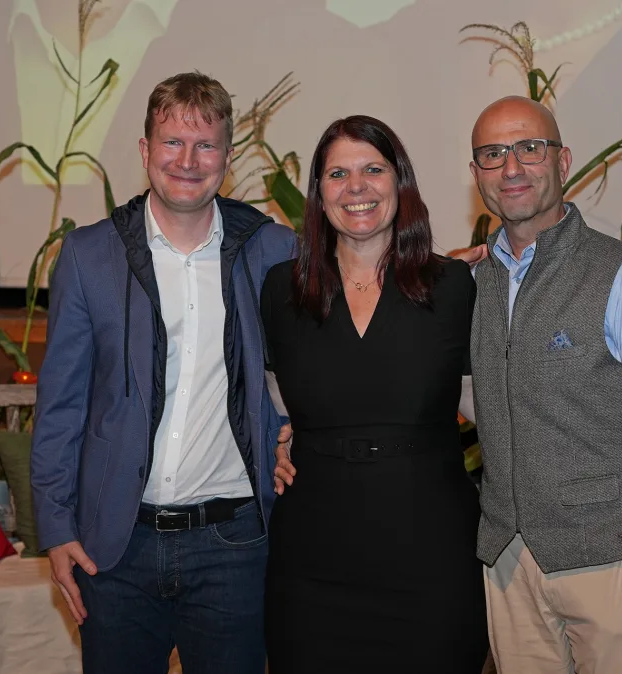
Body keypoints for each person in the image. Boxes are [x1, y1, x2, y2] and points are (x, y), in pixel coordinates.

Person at [29, 71, 296, 674]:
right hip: (116, 546)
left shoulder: (272, 250)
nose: (188, 160)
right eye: (172, 142)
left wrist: (290, 427)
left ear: (227, 159)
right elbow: (61, 405)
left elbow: (320, 355)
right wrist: (55, 527)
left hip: (235, 544)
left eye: (206, 145)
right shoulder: (90, 255)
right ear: (146, 152)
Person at [466, 95, 622, 673]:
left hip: (612, 565)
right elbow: (482, 400)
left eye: (530, 148)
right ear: (476, 175)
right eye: (493, 154)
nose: (513, 168)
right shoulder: (473, 281)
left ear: (563, 160)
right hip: (508, 564)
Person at [260, 115, 489, 674]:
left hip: (430, 554)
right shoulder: (281, 290)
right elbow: (273, 403)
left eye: (372, 169)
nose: (356, 186)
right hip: (314, 558)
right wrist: (276, 439)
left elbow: (489, 410)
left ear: (400, 182)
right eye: (337, 173)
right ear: (319, 194)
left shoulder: (454, 287)